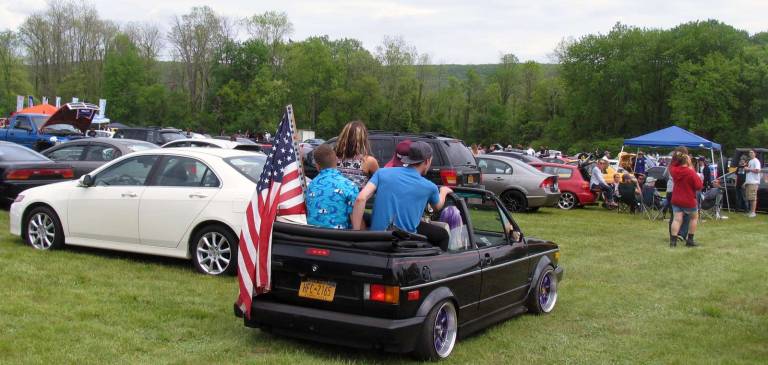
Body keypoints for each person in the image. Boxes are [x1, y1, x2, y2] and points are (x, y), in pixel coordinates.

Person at [352, 142, 453, 242]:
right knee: (443, 235)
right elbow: (437, 206)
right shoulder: (430, 187)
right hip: (404, 244)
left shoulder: (382, 173)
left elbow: (361, 198)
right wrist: (443, 191)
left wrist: (357, 237)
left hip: (375, 241)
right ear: (427, 161)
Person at [305, 145, 360, 229]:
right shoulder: (349, 186)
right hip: (338, 239)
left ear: (317, 165)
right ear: (337, 160)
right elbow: (356, 223)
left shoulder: (310, 186)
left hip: (312, 238)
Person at [669, 149, 703, 247]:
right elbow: (699, 186)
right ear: (687, 161)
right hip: (688, 199)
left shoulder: (674, 170)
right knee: (694, 218)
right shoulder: (690, 172)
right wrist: (691, 166)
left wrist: (677, 156)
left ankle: (673, 242)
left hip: (676, 198)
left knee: (677, 219)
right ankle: (690, 240)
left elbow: (672, 164)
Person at [335, 121, 379, 189]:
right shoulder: (368, 161)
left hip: (337, 199)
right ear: (363, 139)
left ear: (343, 137)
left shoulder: (333, 158)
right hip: (358, 199)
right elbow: (379, 184)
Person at [744, 149, 761, 218]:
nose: (750, 154)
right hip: (749, 182)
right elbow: (750, 172)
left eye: (752, 152)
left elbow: (758, 170)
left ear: (755, 154)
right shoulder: (750, 161)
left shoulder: (756, 161)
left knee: (753, 198)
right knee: (749, 198)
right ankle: (750, 212)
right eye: (749, 153)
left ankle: (753, 213)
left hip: (754, 182)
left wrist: (748, 169)